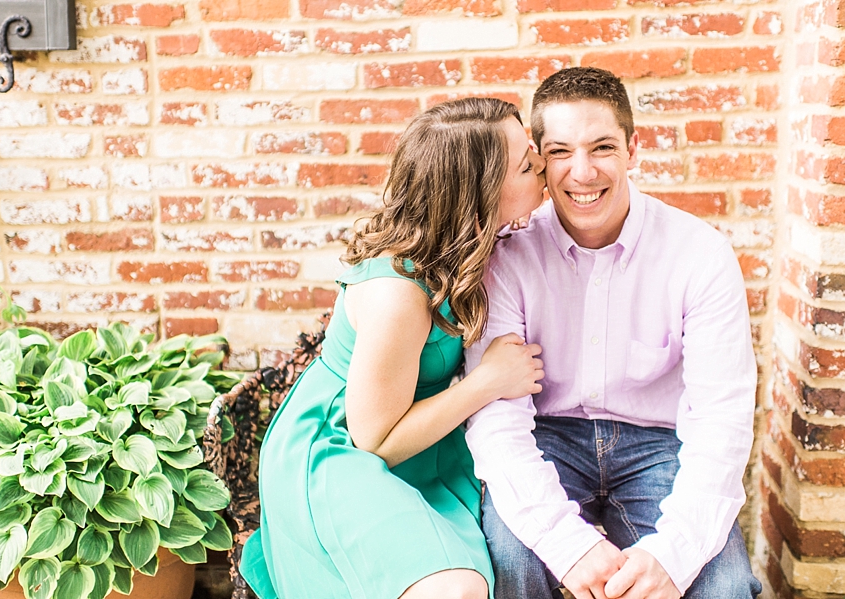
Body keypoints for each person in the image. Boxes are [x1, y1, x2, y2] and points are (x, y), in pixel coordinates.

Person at [463, 67, 763, 599]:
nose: (582, 173)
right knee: (512, 566)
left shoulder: (699, 254)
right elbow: (498, 422)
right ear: (537, 158)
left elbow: (722, 419)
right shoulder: (507, 255)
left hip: (660, 443)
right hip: (544, 434)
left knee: (725, 586)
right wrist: (568, 545)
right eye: (559, 152)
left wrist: (671, 557)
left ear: (632, 148)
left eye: (601, 147)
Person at [240, 97, 547, 599]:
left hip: (423, 440)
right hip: (342, 448)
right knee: (455, 588)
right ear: (479, 193)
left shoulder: (472, 246)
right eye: (526, 164)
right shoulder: (398, 290)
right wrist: (488, 382)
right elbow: (375, 438)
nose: (541, 166)